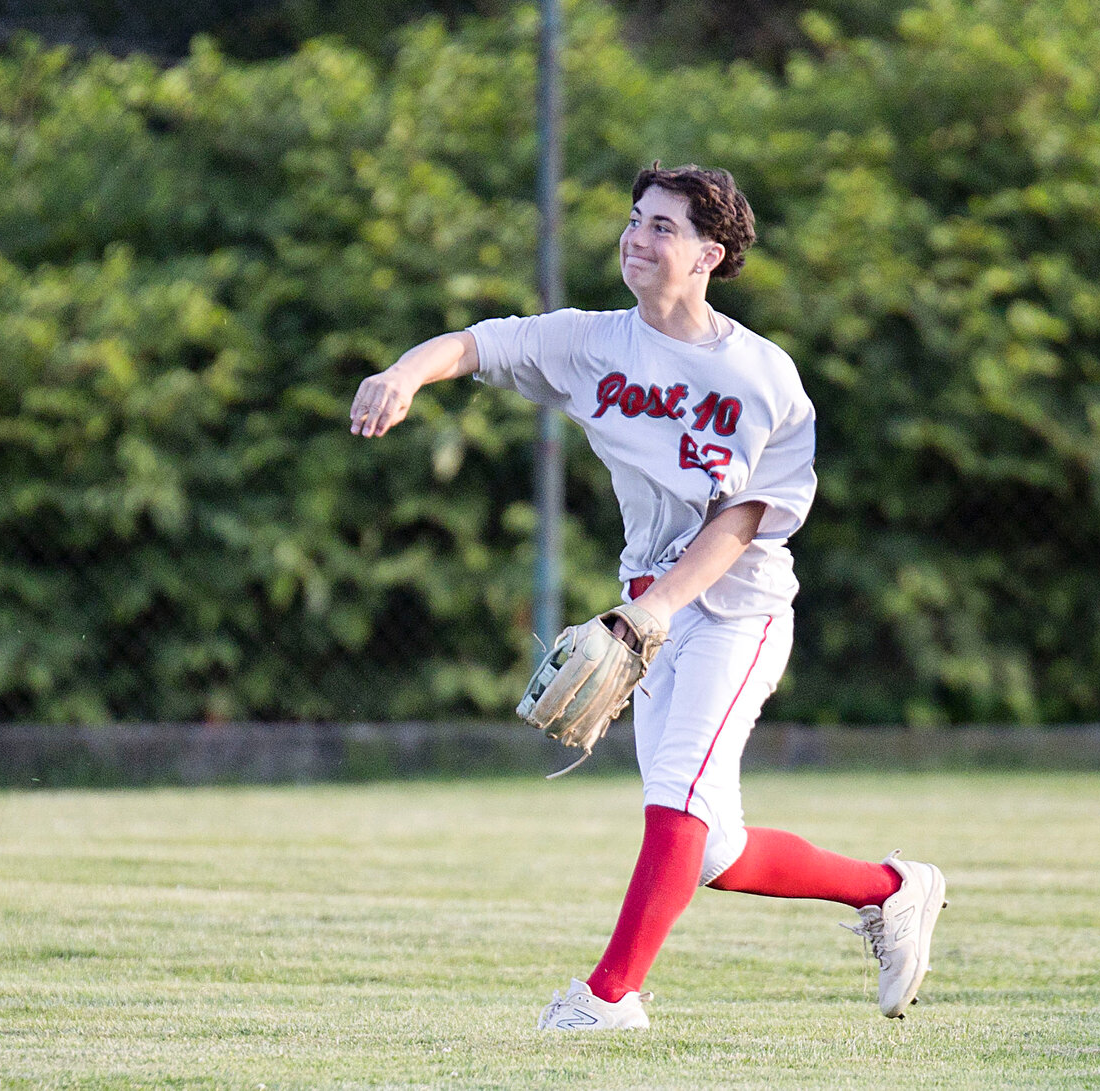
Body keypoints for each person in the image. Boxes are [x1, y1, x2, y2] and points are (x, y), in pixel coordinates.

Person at [349, 162, 946, 1030]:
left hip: (736, 610)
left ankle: (608, 997)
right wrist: (404, 374)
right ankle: (891, 891)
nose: (636, 236)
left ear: (712, 252)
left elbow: (743, 521)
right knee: (713, 848)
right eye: (636, 219)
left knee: (679, 795)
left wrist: (655, 610)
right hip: (648, 613)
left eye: (662, 226)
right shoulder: (594, 342)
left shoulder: (763, 377)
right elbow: (481, 341)